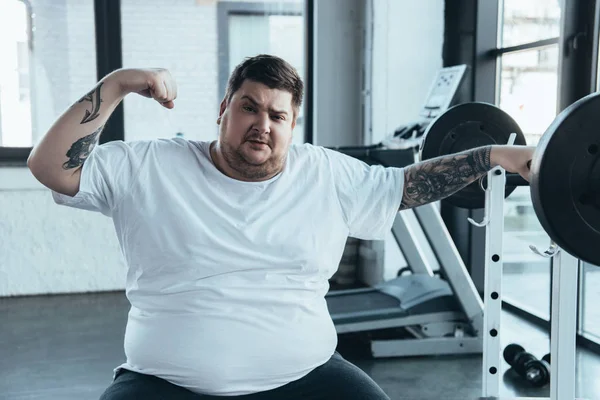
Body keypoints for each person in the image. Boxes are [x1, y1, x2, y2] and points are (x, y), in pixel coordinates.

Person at [27, 54, 534, 400]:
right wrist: (118, 84)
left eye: (277, 115)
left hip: (305, 377)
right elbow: (51, 166)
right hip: (166, 381)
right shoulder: (150, 167)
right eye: (248, 107)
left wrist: (494, 155)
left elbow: (409, 185)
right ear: (224, 110)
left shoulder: (325, 173)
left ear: (294, 126)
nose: (261, 125)